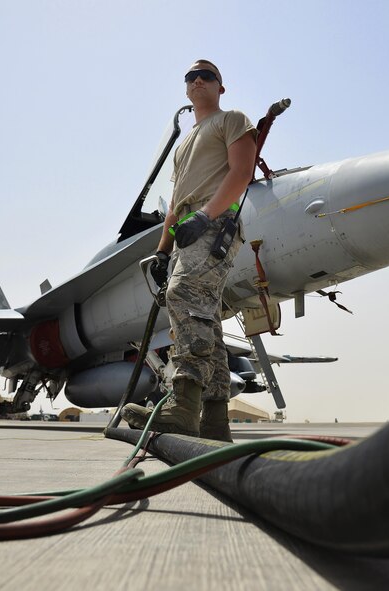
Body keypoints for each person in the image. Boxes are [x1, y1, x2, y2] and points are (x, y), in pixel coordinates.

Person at [122, 59, 257, 442]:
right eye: (191, 77)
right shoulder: (184, 147)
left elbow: (241, 172)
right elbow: (176, 203)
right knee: (207, 322)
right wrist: (163, 251)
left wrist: (206, 215)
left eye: (207, 75)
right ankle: (215, 422)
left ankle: (182, 406)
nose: (198, 80)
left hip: (213, 226)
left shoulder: (232, 120)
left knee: (184, 296)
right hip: (185, 232)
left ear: (220, 87)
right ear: (186, 89)